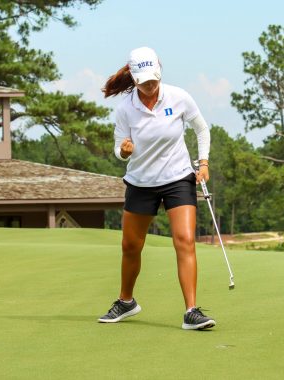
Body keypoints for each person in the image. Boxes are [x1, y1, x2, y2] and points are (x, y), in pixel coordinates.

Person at [98, 47, 215, 330]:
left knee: (185, 240)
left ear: (159, 73)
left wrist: (203, 162)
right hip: (141, 182)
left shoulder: (179, 97)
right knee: (131, 246)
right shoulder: (125, 108)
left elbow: (202, 129)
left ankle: (191, 311)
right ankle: (126, 302)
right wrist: (124, 151)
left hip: (178, 178)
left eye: (153, 80)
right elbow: (118, 148)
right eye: (144, 81)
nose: (150, 86)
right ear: (134, 78)